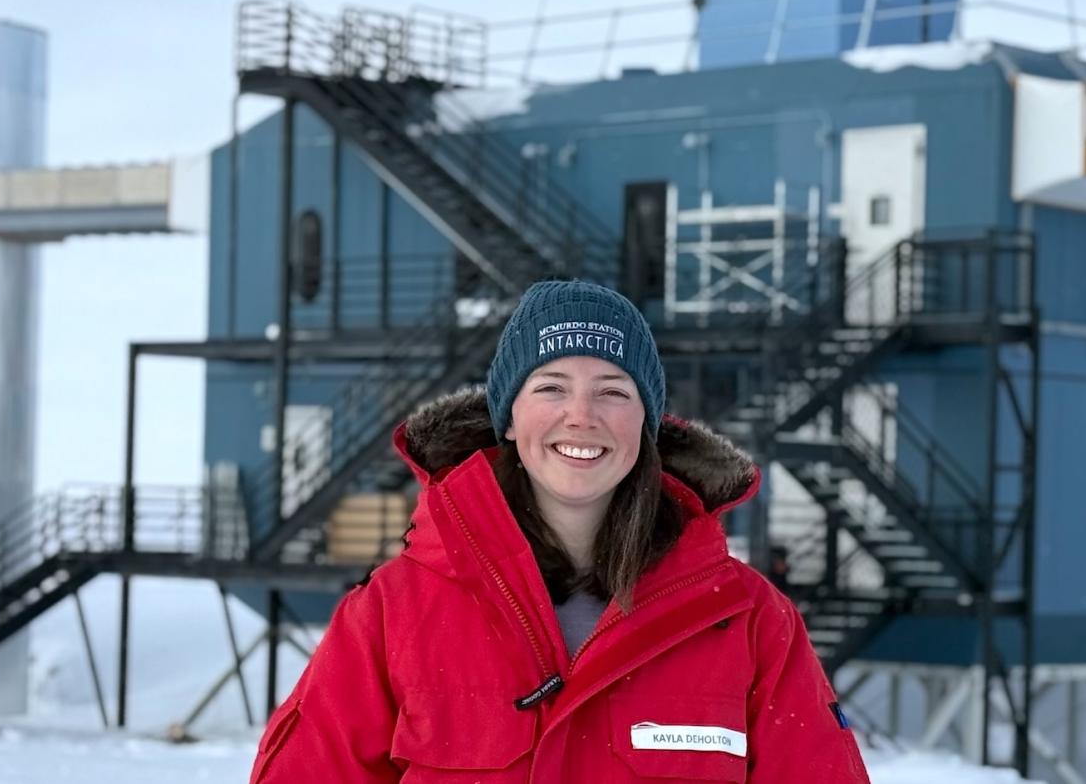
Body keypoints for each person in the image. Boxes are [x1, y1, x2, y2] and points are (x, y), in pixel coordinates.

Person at [251, 281, 871, 782]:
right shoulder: (392, 613)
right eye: (551, 387)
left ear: (646, 424)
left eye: (613, 390)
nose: (582, 415)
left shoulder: (750, 621)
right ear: (511, 420)